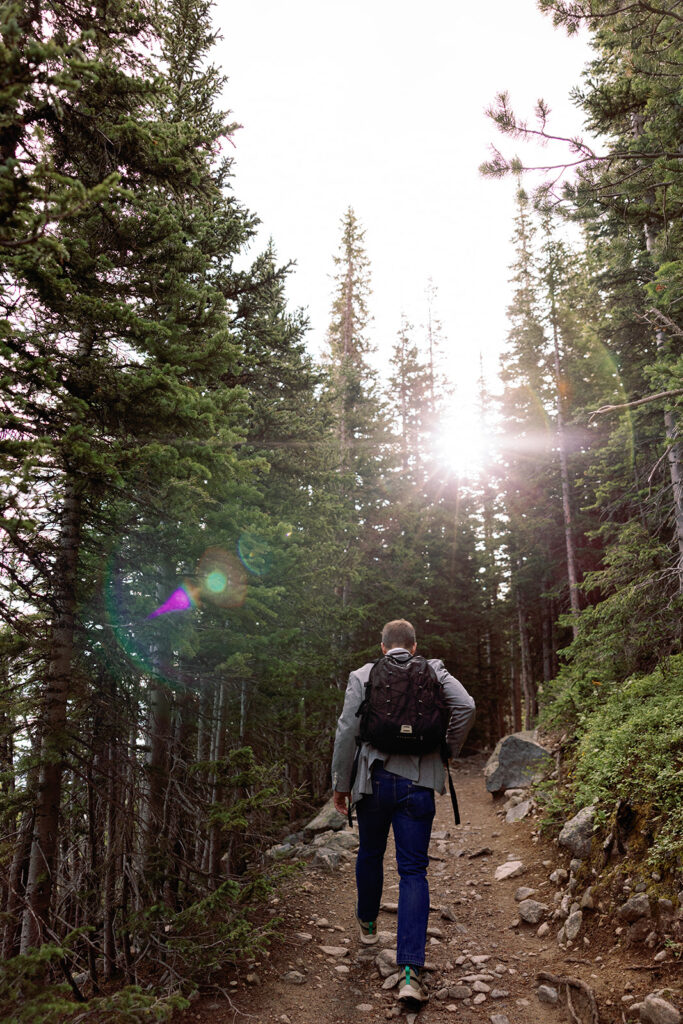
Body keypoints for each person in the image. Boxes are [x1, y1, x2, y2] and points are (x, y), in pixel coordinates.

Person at [331, 619, 475, 1005]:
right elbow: (465, 705)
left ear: (382, 647)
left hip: (373, 781)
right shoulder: (434, 670)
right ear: (414, 646)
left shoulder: (363, 674)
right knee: (413, 870)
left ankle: (367, 926)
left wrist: (340, 783)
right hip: (419, 784)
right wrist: (447, 749)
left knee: (370, 853)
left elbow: (347, 729)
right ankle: (410, 973)